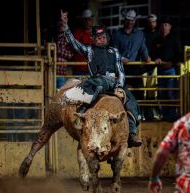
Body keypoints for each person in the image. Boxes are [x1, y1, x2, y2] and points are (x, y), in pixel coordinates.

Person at [60, 10, 142, 147]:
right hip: (97, 80)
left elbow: (121, 72)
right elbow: (75, 44)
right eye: (98, 38)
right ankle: (81, 114)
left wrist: (119, 86)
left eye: (103, 37)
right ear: (93, 39)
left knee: (132, 101)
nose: (101, 39)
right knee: (98, 85)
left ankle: (132, 133)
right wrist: (66, 27)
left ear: (107, 37)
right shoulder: (89, 50)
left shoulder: (114, 52)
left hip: (114, 83)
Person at [111, 9, 151, 105]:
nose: (130, 22)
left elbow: (142, 47)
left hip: (135, 67)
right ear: (124, 20)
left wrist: (146, 56)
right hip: (121, 68)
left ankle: (139, 114)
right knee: (120, 91)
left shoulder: (139, 34)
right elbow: (113, 51)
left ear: (135, 21)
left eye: (132, 20)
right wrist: (121, 58)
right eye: (128, 20)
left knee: (139, 91)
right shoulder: (117, 34)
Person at [153, 17, 181, 121]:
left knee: (170, 92)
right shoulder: (157, 40)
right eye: (163, 25)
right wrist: (156, 58)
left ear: (170, 27)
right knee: (162, 93)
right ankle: (165, 115)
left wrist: (172, 62)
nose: (164, 27)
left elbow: (179, 54)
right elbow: (152, 53)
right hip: (160, 70)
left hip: (171, 70)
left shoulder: (174, 39)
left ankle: (172, 115)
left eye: (166, 25)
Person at [143, 14, 161, 121]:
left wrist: (158, 58)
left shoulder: (159, 35)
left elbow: (161, 50)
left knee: (153, 91)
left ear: (156, 22)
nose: (152, 24)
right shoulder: (142, 34)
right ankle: (145, 114)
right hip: (144, 66)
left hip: (155, 66)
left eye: (153, 21)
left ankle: (154, 114)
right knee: (144, 92)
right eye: (150, 22)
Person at [72, 9, 95, 76]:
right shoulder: (77, 33)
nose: (87, 22)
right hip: (79, 69)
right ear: (82, 21)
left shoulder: (97, 32)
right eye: (85, 20)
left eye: (89, 19)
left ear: (92, 20)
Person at [56, 19, 74, 89]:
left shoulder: (67, 40)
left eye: (62, 25)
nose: (61, 27)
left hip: (61, 72)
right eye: (59, 25)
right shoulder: (55, 38)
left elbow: (70, 54)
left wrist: (57, 51)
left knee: (61, 91)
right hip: (52, 71)